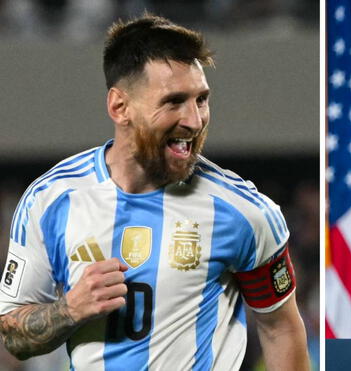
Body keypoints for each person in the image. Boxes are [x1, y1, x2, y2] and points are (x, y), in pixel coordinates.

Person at [0, 14, 309, 370]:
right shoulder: (50, 200)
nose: (194, 120)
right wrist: (69, 310)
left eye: (201, 100)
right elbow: (12, 334)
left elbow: (281, 329)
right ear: (120, 107)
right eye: (174, 101)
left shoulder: (242, 211)